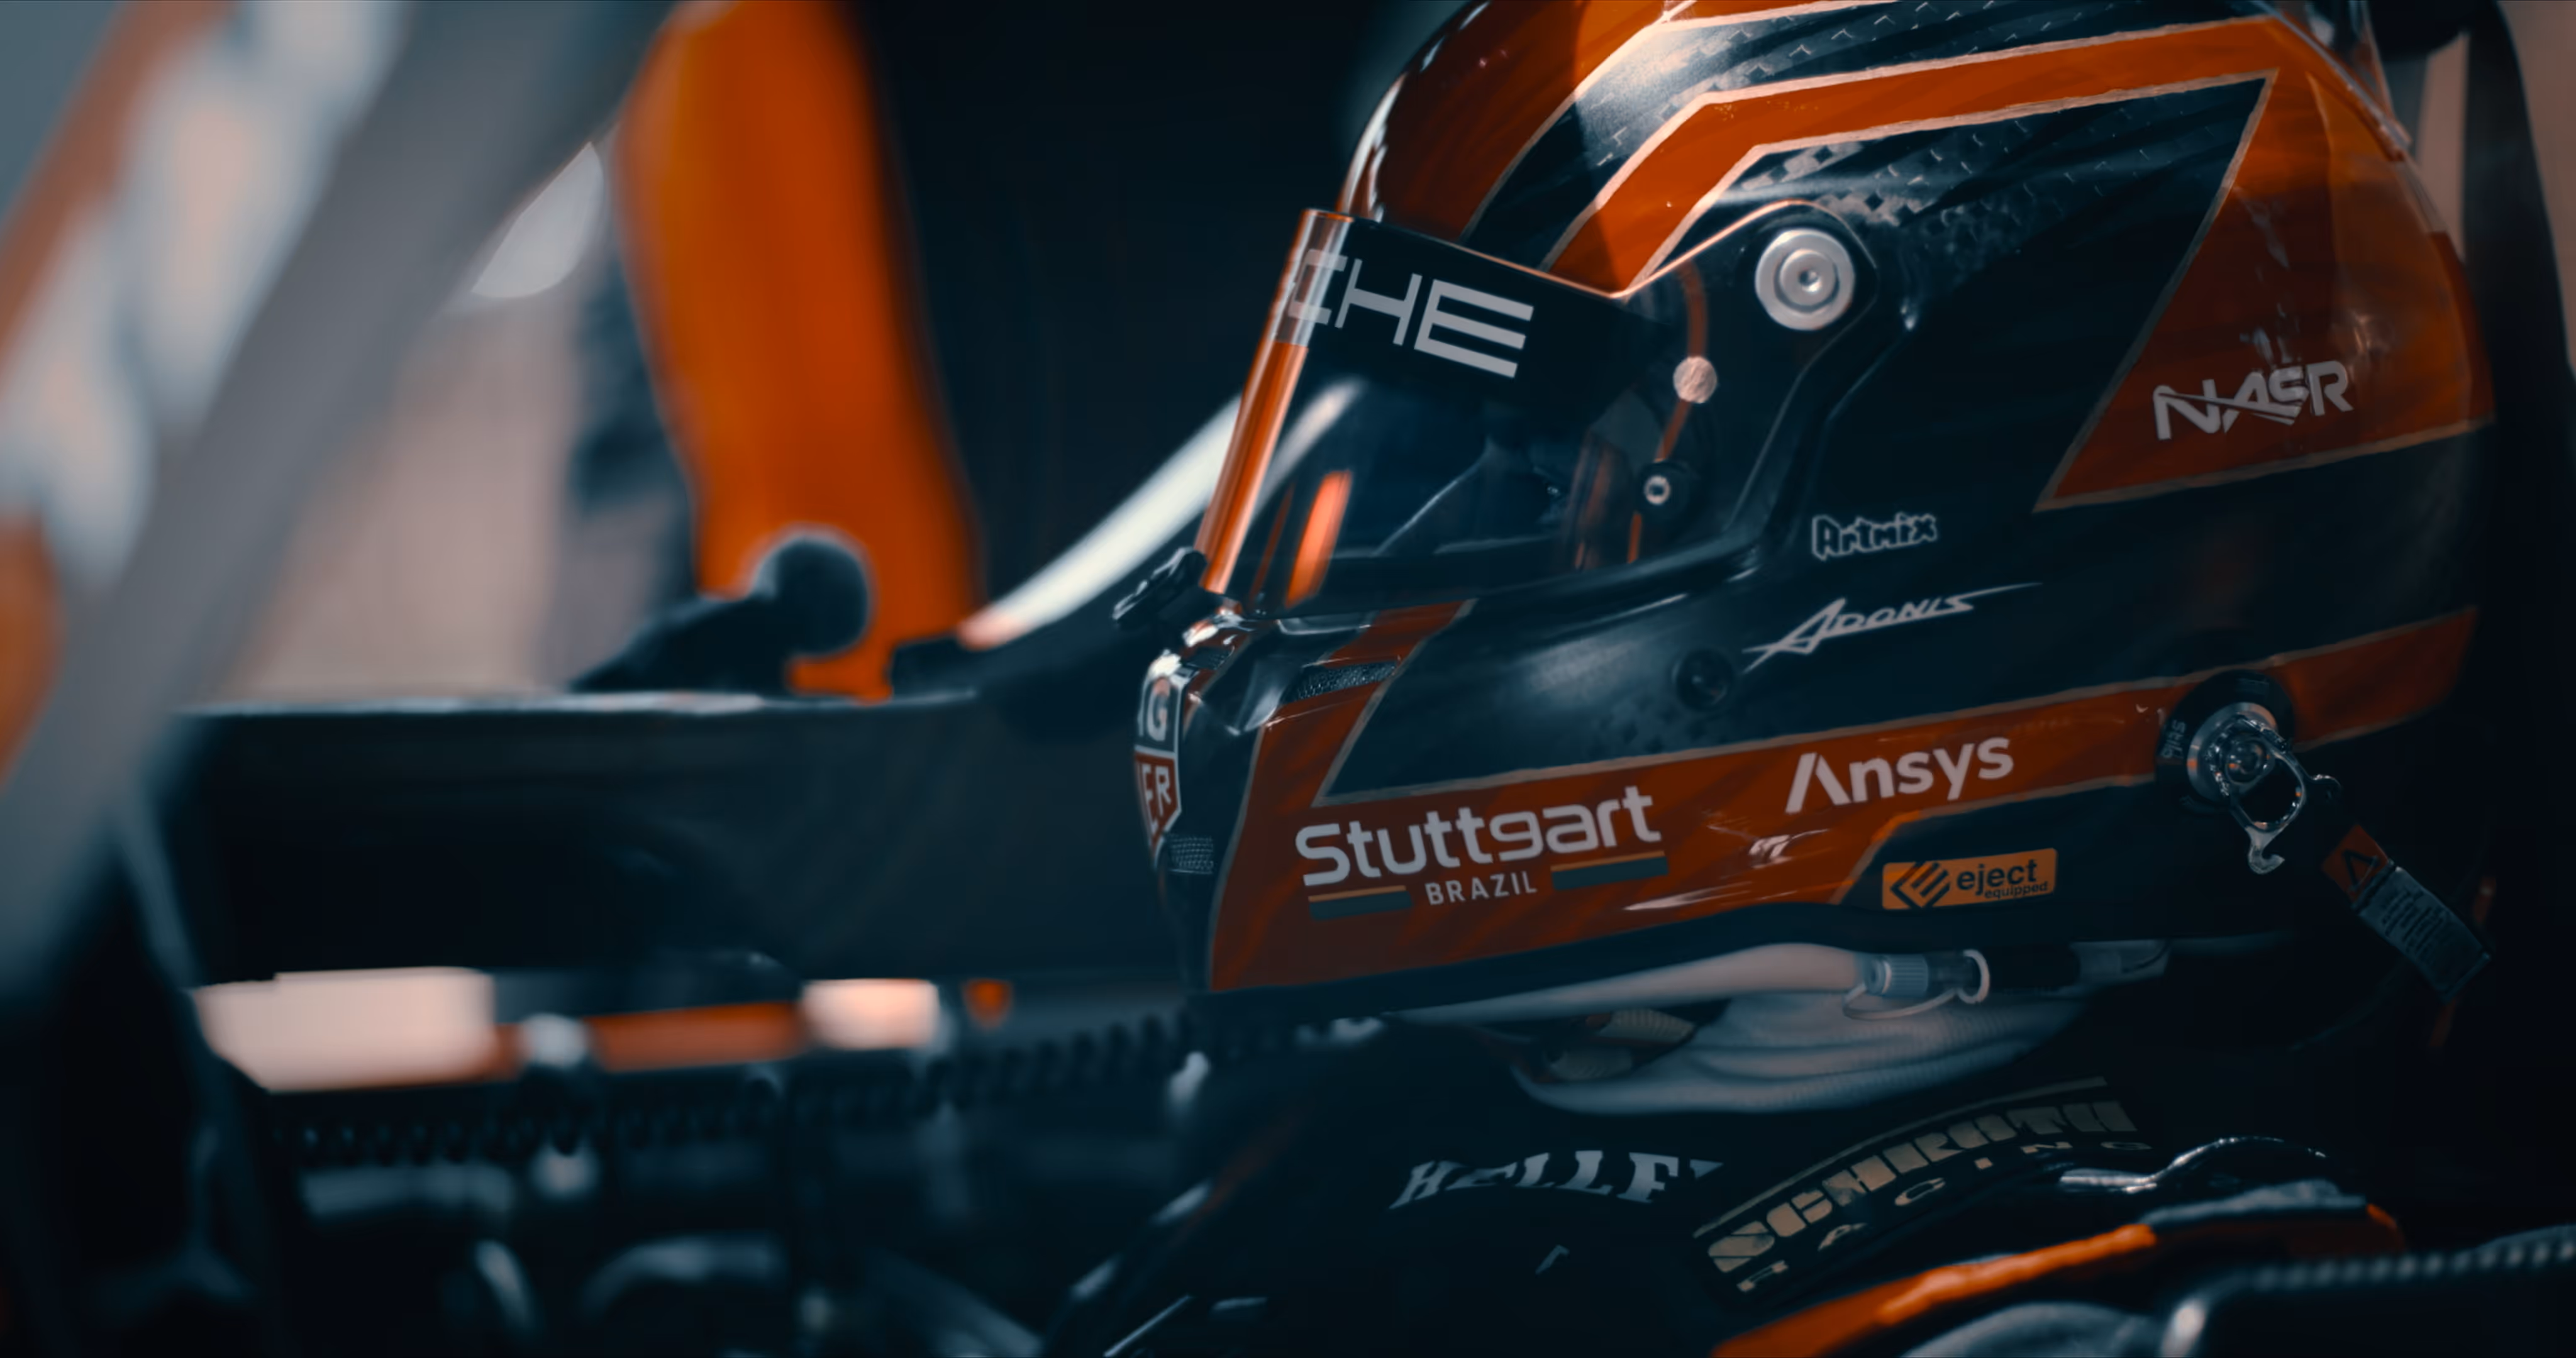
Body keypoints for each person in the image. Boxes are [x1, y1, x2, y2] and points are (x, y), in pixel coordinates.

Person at [1060, 3, 2576, 1352]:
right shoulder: (1313, 1147)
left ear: (1922, 510)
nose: (1411, 529)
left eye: (1534, 484)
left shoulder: (2128, 1310)